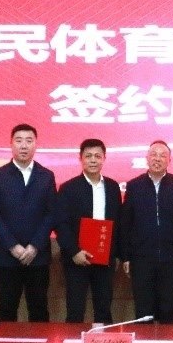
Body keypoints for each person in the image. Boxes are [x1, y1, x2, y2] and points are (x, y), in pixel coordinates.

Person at [0, 123, 57, 322]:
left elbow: (51, 213)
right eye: (19, 141)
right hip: (7, 256)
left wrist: (34, 246)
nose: (24, 145)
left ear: (35, 144)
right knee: (6, 309)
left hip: (38, 256)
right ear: (11, 144)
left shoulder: (46, 176)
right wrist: (12, 245)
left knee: (39, 310)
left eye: (29, 141)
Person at [119, 140, 173, 324]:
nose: (157, 159)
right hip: (141, 258)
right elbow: (126, 224)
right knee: (143, 310)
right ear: (147, 158)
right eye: (153, 155)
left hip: (171, 258)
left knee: (169, 309)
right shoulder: (134, 186)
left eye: (162, 155)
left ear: (169, 160)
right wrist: (125, 256)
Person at [56, 138, 123, 323]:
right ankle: (73, 342)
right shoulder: (68, 188)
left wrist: (116, 254)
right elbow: (61, 224)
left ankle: (102, 342)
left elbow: (118, 222)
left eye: (97, 156)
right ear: (81, 158)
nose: (93, 160)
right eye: (88, 156)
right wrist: (74, 251)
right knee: (75, 311)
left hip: (105, 259)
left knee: (104, 310)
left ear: (104, 159)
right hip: (76, 258)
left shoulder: (113, 187)